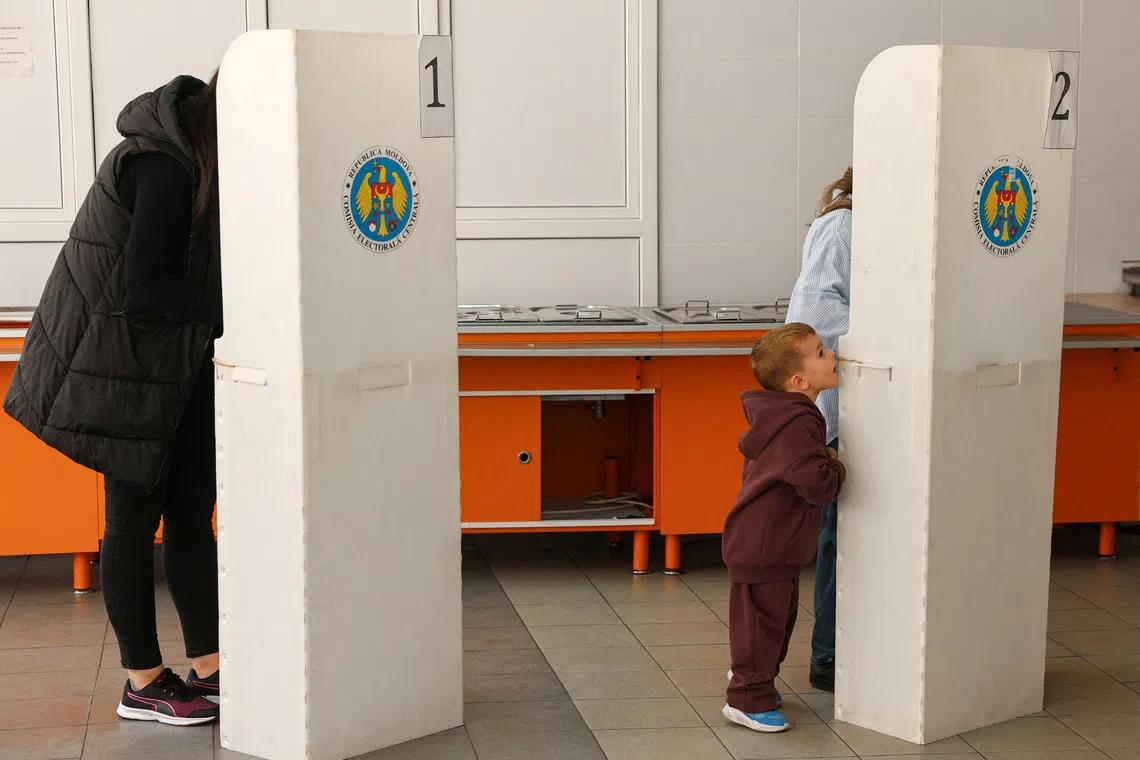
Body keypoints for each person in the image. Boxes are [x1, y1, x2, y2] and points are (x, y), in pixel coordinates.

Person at [3, 72, 223, 726]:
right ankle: (141, 680)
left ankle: (210, 665)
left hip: (173, 361)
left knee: (191, 511)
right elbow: (145, 284)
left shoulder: (199, 161)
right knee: (131, 521)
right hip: (118, 365)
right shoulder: (163, 165)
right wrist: (233, 309)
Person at [721, 323, 846, 733]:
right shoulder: (796, 424)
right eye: (822, 352)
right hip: (764, 545)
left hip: (770, 544)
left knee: (772, 622)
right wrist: (837, 464)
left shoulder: (787, 416)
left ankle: (756, 684)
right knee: (761, 626)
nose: (833, 355)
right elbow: (817, 484)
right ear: (800, 380)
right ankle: (745, 699)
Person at [784, 167, 852, 693]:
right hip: (844, 411)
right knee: (841, 536)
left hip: (880, 407)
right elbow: (815, 319)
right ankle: (828, 657)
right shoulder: (842, 226)